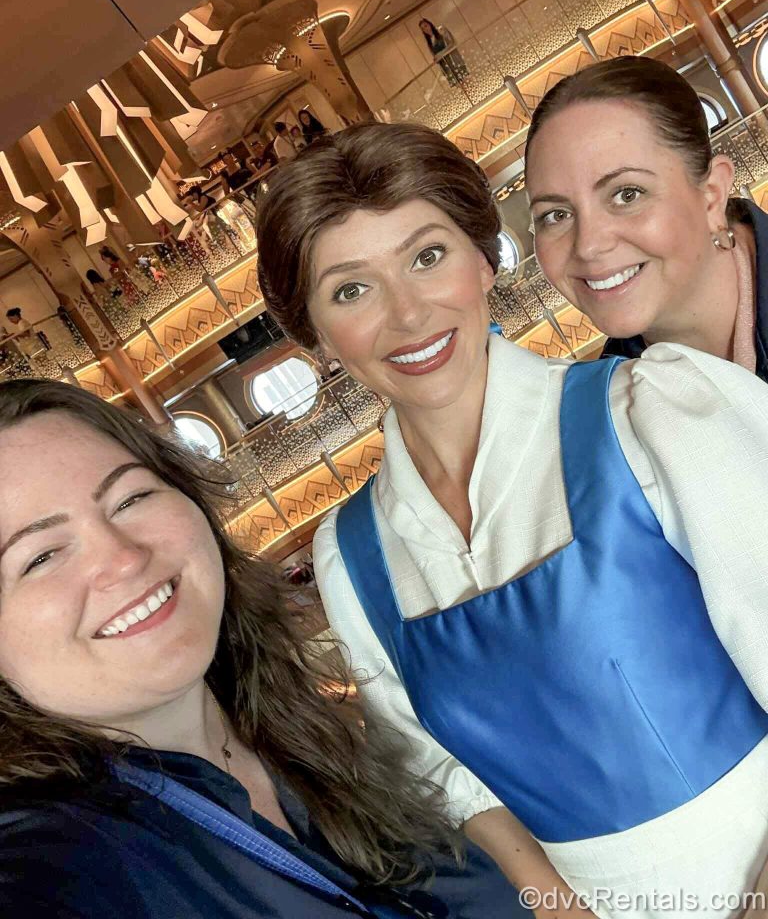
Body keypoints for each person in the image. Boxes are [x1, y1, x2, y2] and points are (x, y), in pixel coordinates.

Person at [256, 121, 768, 919]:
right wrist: (557, 904)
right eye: (350, 289)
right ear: (315, 336)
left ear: (484, 260)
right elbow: (441, 773)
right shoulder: (348, 556)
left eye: (427, 256)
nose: (408, 314)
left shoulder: (653, 408)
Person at [0, 378, 524, 919]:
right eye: (39, 557)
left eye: (130, 498)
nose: (124, 558)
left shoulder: (303, 727)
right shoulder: (47, 864)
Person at [524, 55, 768, 380]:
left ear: (712, 196)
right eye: (556, 215)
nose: (588, 246)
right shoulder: (603, 414)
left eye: (627, 194)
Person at [418, 19, 468, 88]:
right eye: (423, 29)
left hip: (454, 61)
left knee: (466, 82)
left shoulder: (441, 30)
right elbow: (435, 55)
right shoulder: (429, 42)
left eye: (426, 26)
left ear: (430, 24)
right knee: (459, 87)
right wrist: (436, 59)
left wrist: (441, 54)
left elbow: (452, 43)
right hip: (446, 67)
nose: (425, 29)